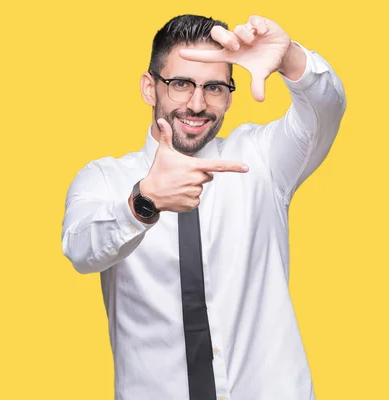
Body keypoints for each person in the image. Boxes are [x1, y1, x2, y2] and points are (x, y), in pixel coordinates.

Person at [61, 13, 346, 400]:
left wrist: (289, 58)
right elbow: (81, 249)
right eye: (180, 84)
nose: (197, 104)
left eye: (214, 87)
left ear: (230, 95)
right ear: (150, 88)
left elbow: (325, 110)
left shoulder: (262, 160)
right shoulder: (106, 179)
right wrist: (144, 202)